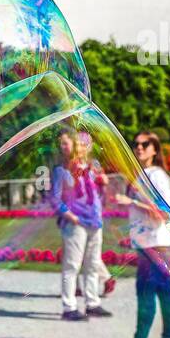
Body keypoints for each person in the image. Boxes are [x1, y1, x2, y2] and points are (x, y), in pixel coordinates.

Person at [114, 130, 170, 338]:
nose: (139, 147)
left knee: (145, 292)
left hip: (156, 244)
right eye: (137, 144)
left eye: (146, 144)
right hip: (149, 243)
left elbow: (164, 213)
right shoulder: (144, 174)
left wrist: (130, 201)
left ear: (154, 149)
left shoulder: (157, 176)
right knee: (164, 290)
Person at [50, 130, 110, 321]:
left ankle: (92, 303)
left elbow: (99, 197)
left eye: (86, 144)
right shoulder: (62, 170)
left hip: (95, 221)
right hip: (76, 223)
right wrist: (70, 216)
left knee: (92, 264)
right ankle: (69, 307)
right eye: (80, 144)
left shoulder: (93, 168)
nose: (83, 148)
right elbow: (54, 199)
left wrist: (104, 184)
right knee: (72, 266)